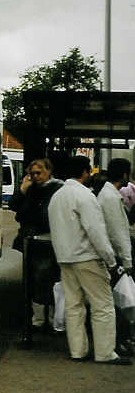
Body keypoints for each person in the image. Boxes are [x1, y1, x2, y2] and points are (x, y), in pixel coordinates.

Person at [47, 155, 130, 365]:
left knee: (74, 305)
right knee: (102, 304)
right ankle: (105, 353)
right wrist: (111, 260)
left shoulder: (57, 197)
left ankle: (78, 351)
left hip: (65, 258)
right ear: (85, 172)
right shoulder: (85, 196)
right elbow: (96, 232)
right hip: (87, 257)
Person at [9, 158, 64, 330]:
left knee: (47, 278)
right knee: (35, 279)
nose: (35, 176)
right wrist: (22, 190)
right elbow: (15, 208)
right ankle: (40, 318)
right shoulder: (31, 189)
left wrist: (26, 213)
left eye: (39, 173)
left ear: (49, 171)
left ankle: (50, 318)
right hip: (34, 240)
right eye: (32, 174)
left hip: (48, 240)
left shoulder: (57, 189)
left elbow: (38, 215)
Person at [96, 158, 134, 355]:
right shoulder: (110, 198)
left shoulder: (109, 194)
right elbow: (119, 233)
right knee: (119, 301)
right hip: (114, 257)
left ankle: (123, 339)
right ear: (124, 174)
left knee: (117, 300)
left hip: (110, 256)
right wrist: (127, 261)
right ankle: (119, 341)